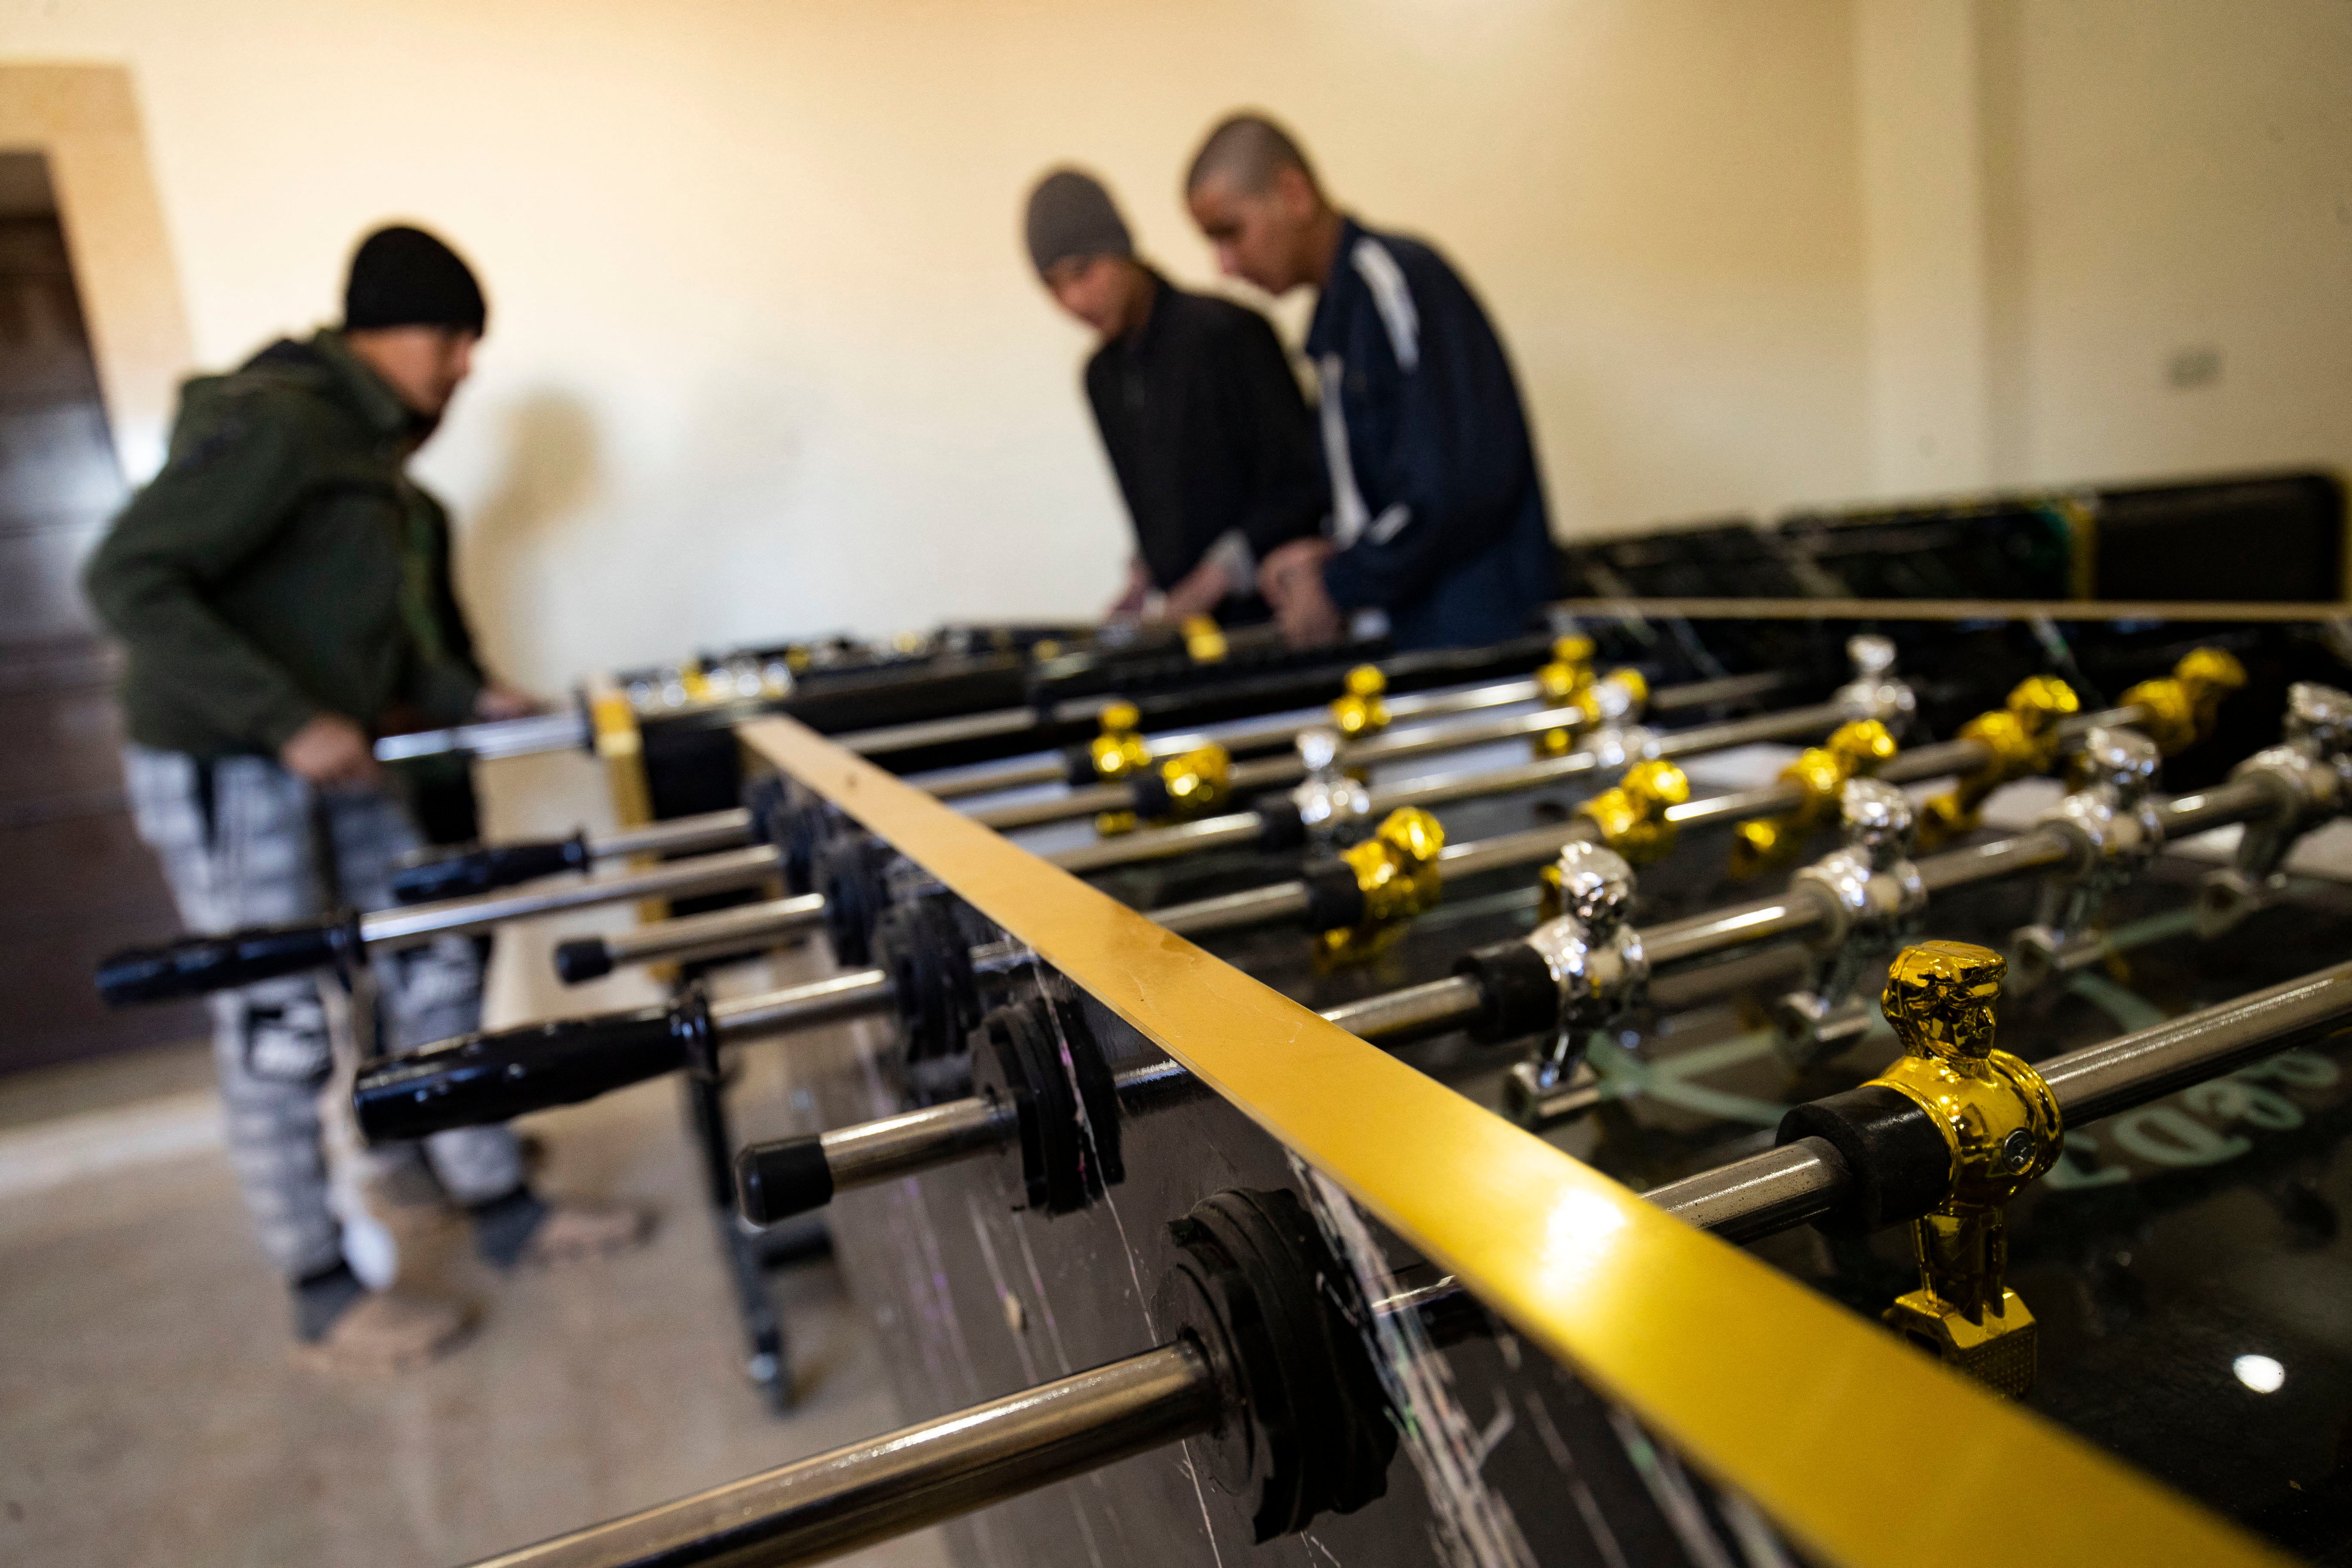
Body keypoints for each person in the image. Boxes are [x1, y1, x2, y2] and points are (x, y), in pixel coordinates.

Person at [84, 224, 649, 1375]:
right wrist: (285, 719)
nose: (463, 367)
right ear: (391, 331)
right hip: (232, 763)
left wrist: (470, 698)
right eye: (453, 339)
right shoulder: (283, 424)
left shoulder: (367, 450)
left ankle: (499, 1209)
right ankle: (320, 1288)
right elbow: (126, 576)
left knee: (436, 953)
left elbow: (350, 642)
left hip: (334, 755)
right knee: (281, 1023)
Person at [1184, 113, 1556, 651]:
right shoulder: (1337, 318)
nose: (1224, 265)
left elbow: (1451, 489)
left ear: (1294, 193)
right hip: (1418, 645)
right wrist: (1330, 556)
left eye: (1230, 233)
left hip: (1477, 651)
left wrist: (1338, 582)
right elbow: (1392, 500)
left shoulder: (1392, 281)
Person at [1024, 167, 1323, 625]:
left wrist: (1212, 580)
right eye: (1053, 285)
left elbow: (1302, 486)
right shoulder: (1100, 377)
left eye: (1083, 272)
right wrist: (1143, 583)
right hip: (1186, 637)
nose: (1073, 301)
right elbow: (1161, 513)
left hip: (1281, 621)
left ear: (1120, 248)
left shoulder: (1229, 334)